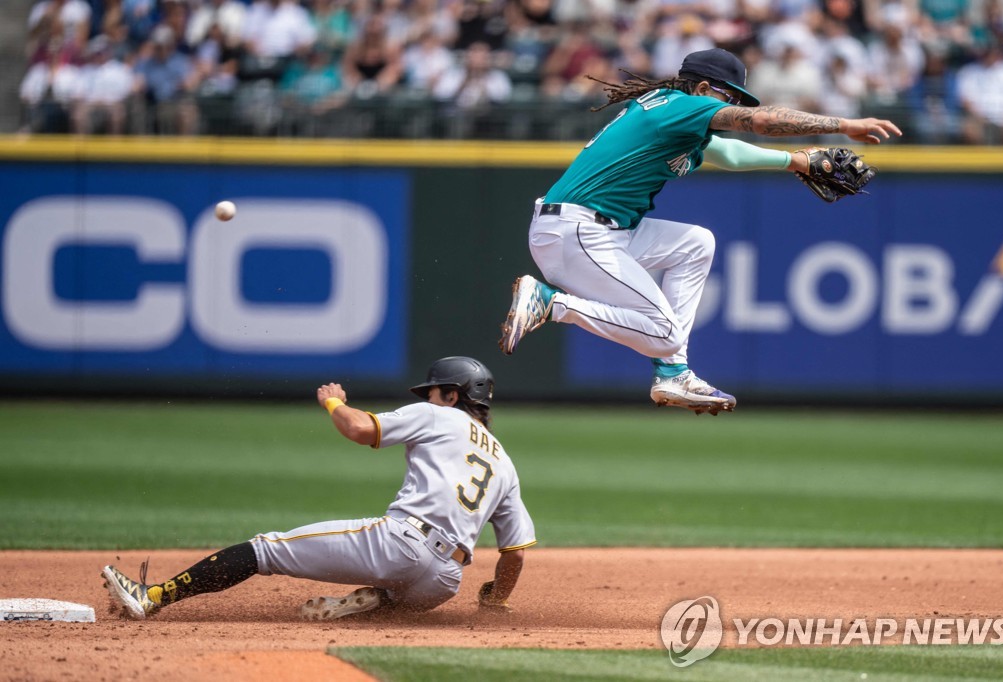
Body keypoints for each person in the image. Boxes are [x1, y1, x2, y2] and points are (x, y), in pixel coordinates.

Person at [498, 48, 901, 415]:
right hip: (578, 231)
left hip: (594, 229)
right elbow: (760, 122)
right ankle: (551, 303)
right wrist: (844, 123)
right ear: (704, 87)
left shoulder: (673, 115)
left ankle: (674, 373)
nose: (734, 109)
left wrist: (795, 162)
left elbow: (727, 153)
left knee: (695, 243)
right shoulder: (681, 106)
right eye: (731, 98)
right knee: (661, 333)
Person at [101, 357, 536, 620]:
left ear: (453, 395)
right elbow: (514, 553)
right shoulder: (506, 463)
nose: (429, 396)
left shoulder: (440, 415)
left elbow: (361, 429)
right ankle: (376, 601)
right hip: (443, 583)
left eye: (434, 390)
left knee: (264, 549)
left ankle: (153, 596)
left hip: (400, 544)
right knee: (404, 595)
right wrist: (495, 600)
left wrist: (334, 401)